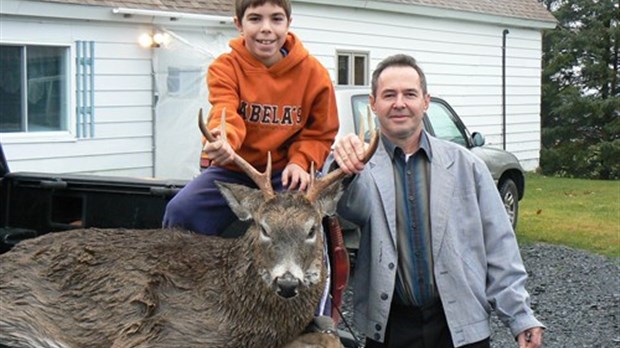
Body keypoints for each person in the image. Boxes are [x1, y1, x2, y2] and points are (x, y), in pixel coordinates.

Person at [328, 54, 544, 348]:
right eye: (389, 95)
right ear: (373, 103)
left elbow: (500, 245)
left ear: (425, 101)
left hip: (461, 326)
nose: (399, 103)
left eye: (410, 94)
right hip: (391, 327)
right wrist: (340, 163)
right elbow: (349, 207)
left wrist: (520, 315)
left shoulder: (467, 166)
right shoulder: (361, 169)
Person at [163, 0, 339, 235]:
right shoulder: (225, 68)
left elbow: (321, 132)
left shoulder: (314, 74)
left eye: (276, 19)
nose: (266, 28)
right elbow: (225, 110)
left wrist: (301, 161)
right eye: (255, 19)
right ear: (239, 24)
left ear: (288, 23)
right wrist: (224, 140)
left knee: (301, 227)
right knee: (181, 212)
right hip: (235, 170)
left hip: (285, 174)